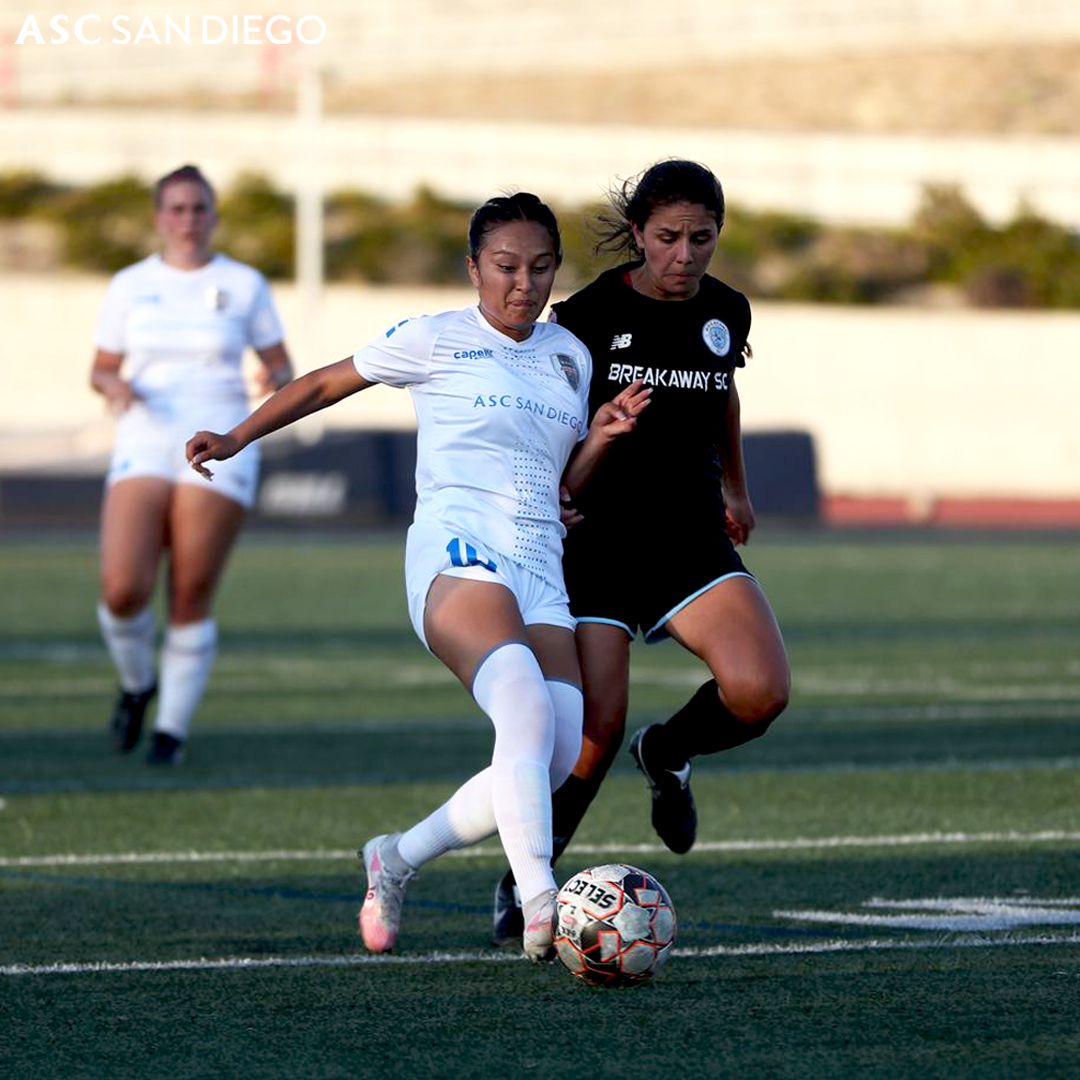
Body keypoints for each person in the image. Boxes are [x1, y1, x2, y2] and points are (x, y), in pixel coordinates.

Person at [185, 193, 650, 961]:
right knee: (523, 708)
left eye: (540, 267)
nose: (524, 283)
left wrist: (598, 438)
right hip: (458, 551)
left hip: (541, 564)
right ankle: (542, 900)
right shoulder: (435, 338)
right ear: (473, 268)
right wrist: (238, 437)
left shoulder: (570, 356)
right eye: (505, 266)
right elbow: (324, 383)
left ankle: (394, 857)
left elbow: (564, 483)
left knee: (556, 751)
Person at [492, 159, 791, 945]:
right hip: (597, 539)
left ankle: (666, 750)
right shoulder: (586, 316)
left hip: (689, 533)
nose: (683, 255)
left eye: (701, 237)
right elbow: (541, 412)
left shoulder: (727, 311)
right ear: (637, 234)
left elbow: (723, 395)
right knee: (591, 732)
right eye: (667, 237)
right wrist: (552, 488)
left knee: (761, 691)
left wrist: (735, 488)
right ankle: (529, 877)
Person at [91, 164, 294, 766]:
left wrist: (272, 377)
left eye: (199, 208)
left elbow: (282, 364)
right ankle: (136, 685)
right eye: (176, 209)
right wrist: (113, 386)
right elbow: (101, 367)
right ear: (159, 218)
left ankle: (169, 733)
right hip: (145, 435)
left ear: (213, 216)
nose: (188, 220)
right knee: (123, 589)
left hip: (219, 438)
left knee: (190, 589)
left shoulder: (245, 283)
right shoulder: (130, 284)